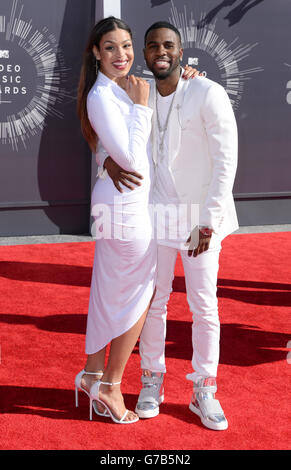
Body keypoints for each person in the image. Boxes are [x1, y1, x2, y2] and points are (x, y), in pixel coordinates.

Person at [102, 21, 238, 431]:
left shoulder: (206, 92)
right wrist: (105, 162)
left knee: (203, 305)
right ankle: (152, 381)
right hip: (154, 214)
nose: (160, 51)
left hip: (198, 218)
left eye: (168, 45)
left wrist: (209, 224)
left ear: (181, 52)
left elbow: (225, 162)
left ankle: (204, 389)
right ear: (144, 52)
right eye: (152, 46)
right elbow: (107, 137)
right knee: (154, 301)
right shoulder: (136, 93)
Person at [74, 16, 156, 424]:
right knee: (141, 292)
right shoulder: (102, 95)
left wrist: (103, 155)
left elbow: (109, 149)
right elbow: (130, 159)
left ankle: (92, 375)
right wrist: (142, 108)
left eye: (126, 46)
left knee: (107, 291)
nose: (121, 55)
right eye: (110, 47)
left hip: (120, 203)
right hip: (125, 208)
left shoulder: (123, 87)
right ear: (95, 52)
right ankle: (110, 384)